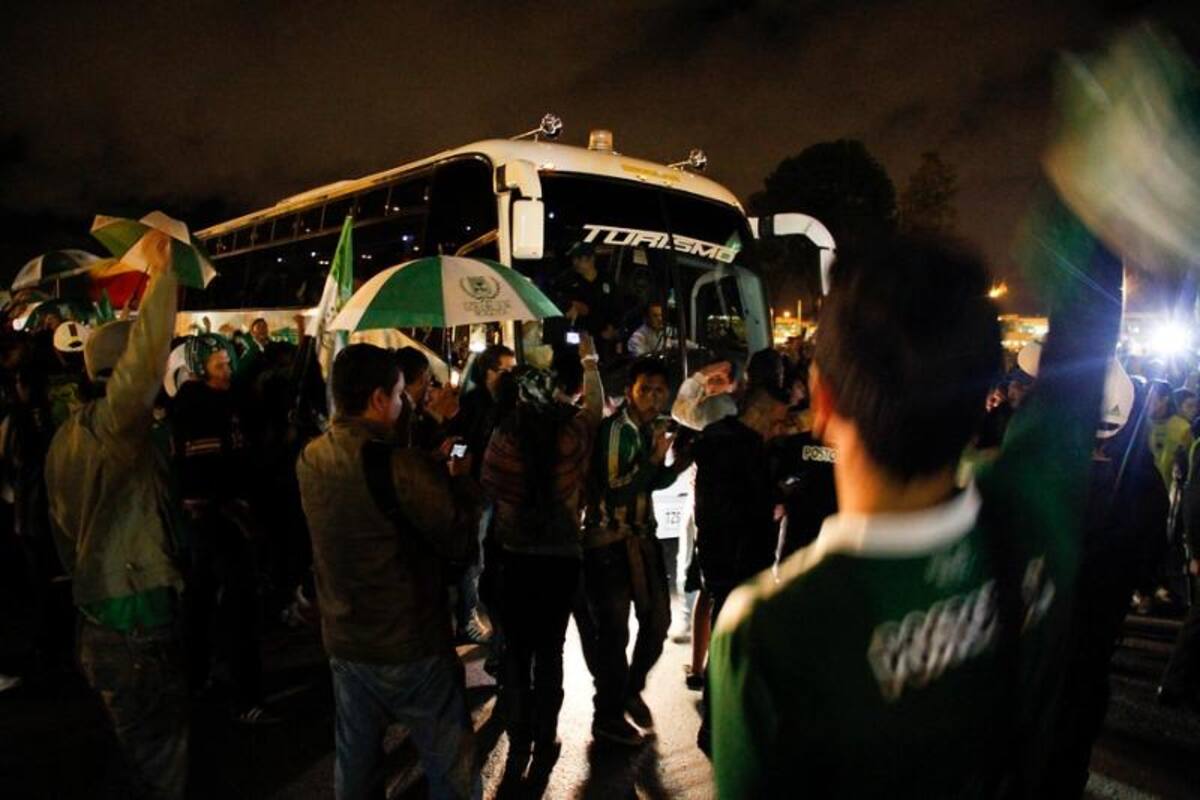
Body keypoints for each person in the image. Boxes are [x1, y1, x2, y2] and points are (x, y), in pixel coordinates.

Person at [708, 213, 1123, 795]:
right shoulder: (1030, 516)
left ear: (822, 399)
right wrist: (1093, 205)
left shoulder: (768, 633)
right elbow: (1085, 342)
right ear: (985, 395)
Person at [297, 343, 482, 800]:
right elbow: (457, 537)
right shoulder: (399, 465)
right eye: (400, 395)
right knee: (449, 765)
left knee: (356, 764)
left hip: (345, 638)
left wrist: (427, 458)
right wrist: (458, 480)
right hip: (408, 641)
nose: (404, 404)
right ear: (380, 399)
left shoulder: (311, 457)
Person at [45, 262, 190, 800]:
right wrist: (167, 271)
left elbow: (62, 532)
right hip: (136, 615)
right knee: (159, 759)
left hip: (95, 613)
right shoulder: (115, 428)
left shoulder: (66, 436)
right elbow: (144, 362)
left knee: (127, 754)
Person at [481, 341, 602, 785]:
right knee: (550, 653)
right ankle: (546, 736)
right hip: (561, 561)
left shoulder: (504, 437)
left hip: (514, 561)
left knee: (516, 654)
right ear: (553, 397)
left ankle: (518, 738)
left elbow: (489, 487)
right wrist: (589, 361)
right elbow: (594, 408)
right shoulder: (572, 436)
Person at [582, 356, 689, 745]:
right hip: (608, 543)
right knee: (613, 634)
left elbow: (651, 483)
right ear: (630, 391)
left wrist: (675, 466)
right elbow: (617, 488)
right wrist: (656, 460)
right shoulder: (617, 430)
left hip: (642, 539)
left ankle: (629, 689)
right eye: (646, 390)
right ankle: (607, 716)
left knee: (657, 622)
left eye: (660, 391)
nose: (654, 397)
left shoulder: (652, 428)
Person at [172, 333, 271, 723]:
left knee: (205, 601)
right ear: (199, 368)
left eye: (228, 363)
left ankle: (199, 679)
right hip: (216, 519)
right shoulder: (195, 407)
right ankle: (243, 696)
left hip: (222, 516)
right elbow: (208, 470)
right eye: (219, 365)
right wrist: (236, 503)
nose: (227, 370)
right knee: (235, 605)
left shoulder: (219, 400)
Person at [692, 382, 791, 755]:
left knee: (733, 645)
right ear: (763, 413)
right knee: (731, 646)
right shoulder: (739, 450)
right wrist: (777, 496)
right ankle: (717, 729)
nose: (781, 429)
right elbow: (740, 509)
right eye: (779, 421)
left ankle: (720, 726)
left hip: (728, 561)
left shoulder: (726, 442)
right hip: (735, 562)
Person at [1148, 379, 1192, 491]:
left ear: (1164, 399)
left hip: (1169, 495)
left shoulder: (1182, 428)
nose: (1146, 403)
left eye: (1150, 398)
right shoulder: (1141, 426)